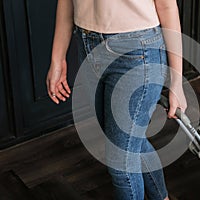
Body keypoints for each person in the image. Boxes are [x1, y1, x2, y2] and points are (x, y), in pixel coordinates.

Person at [46, 0, 187, 199]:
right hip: (88, 46)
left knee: (121, 163)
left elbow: (167, 6)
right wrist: (57, 59)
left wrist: (177, 82)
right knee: (129, 144)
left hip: (136, 50)